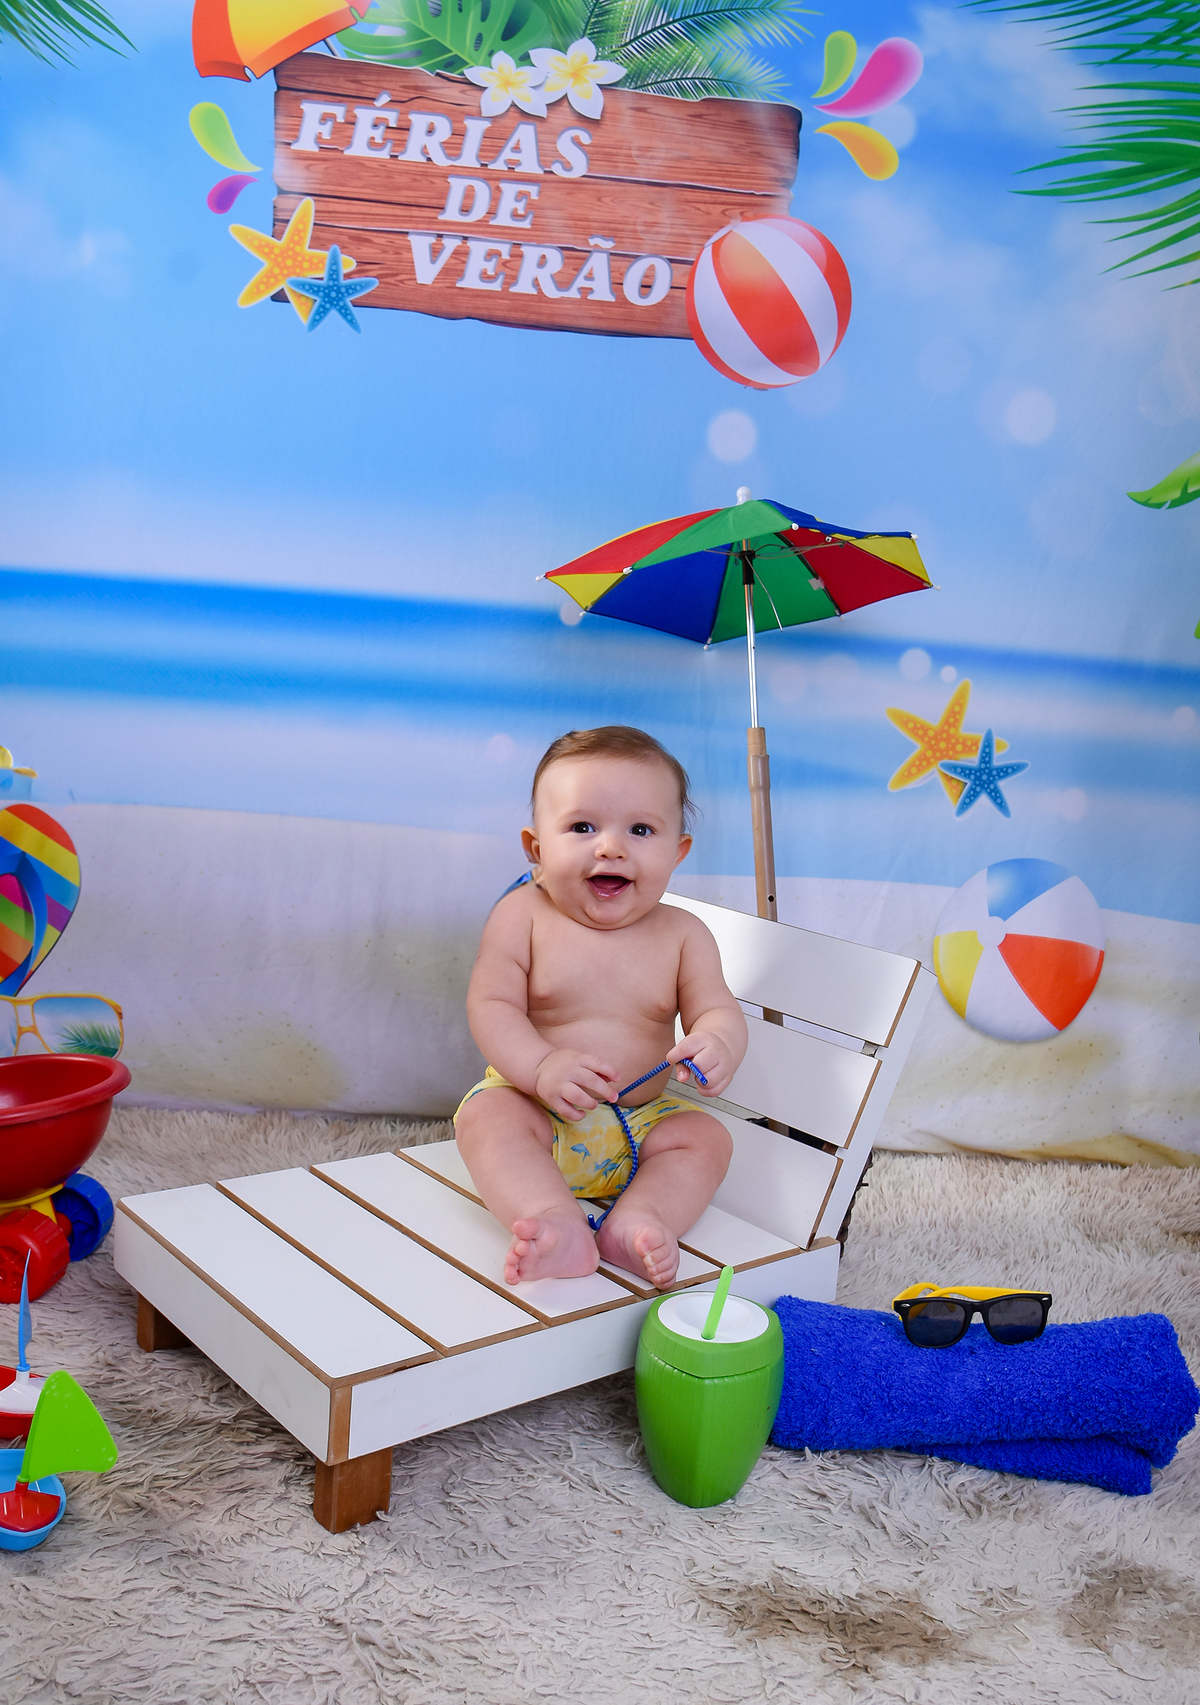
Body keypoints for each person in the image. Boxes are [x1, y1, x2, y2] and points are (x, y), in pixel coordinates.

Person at [454, 726, 747, 1289]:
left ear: (677, 852)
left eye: (641, 830)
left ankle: (640, 1218)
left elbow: (716, 1009)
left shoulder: (685, 935)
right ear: (537, 848)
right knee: (486, 1119)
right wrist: (541, 1067)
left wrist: (718, 1042)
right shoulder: (522, 917)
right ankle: (554, 1219)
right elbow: (491, 1004)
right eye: (582, 827)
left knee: (706, 1139)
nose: (611, 847)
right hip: (536, 1109)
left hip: (639, 1126)